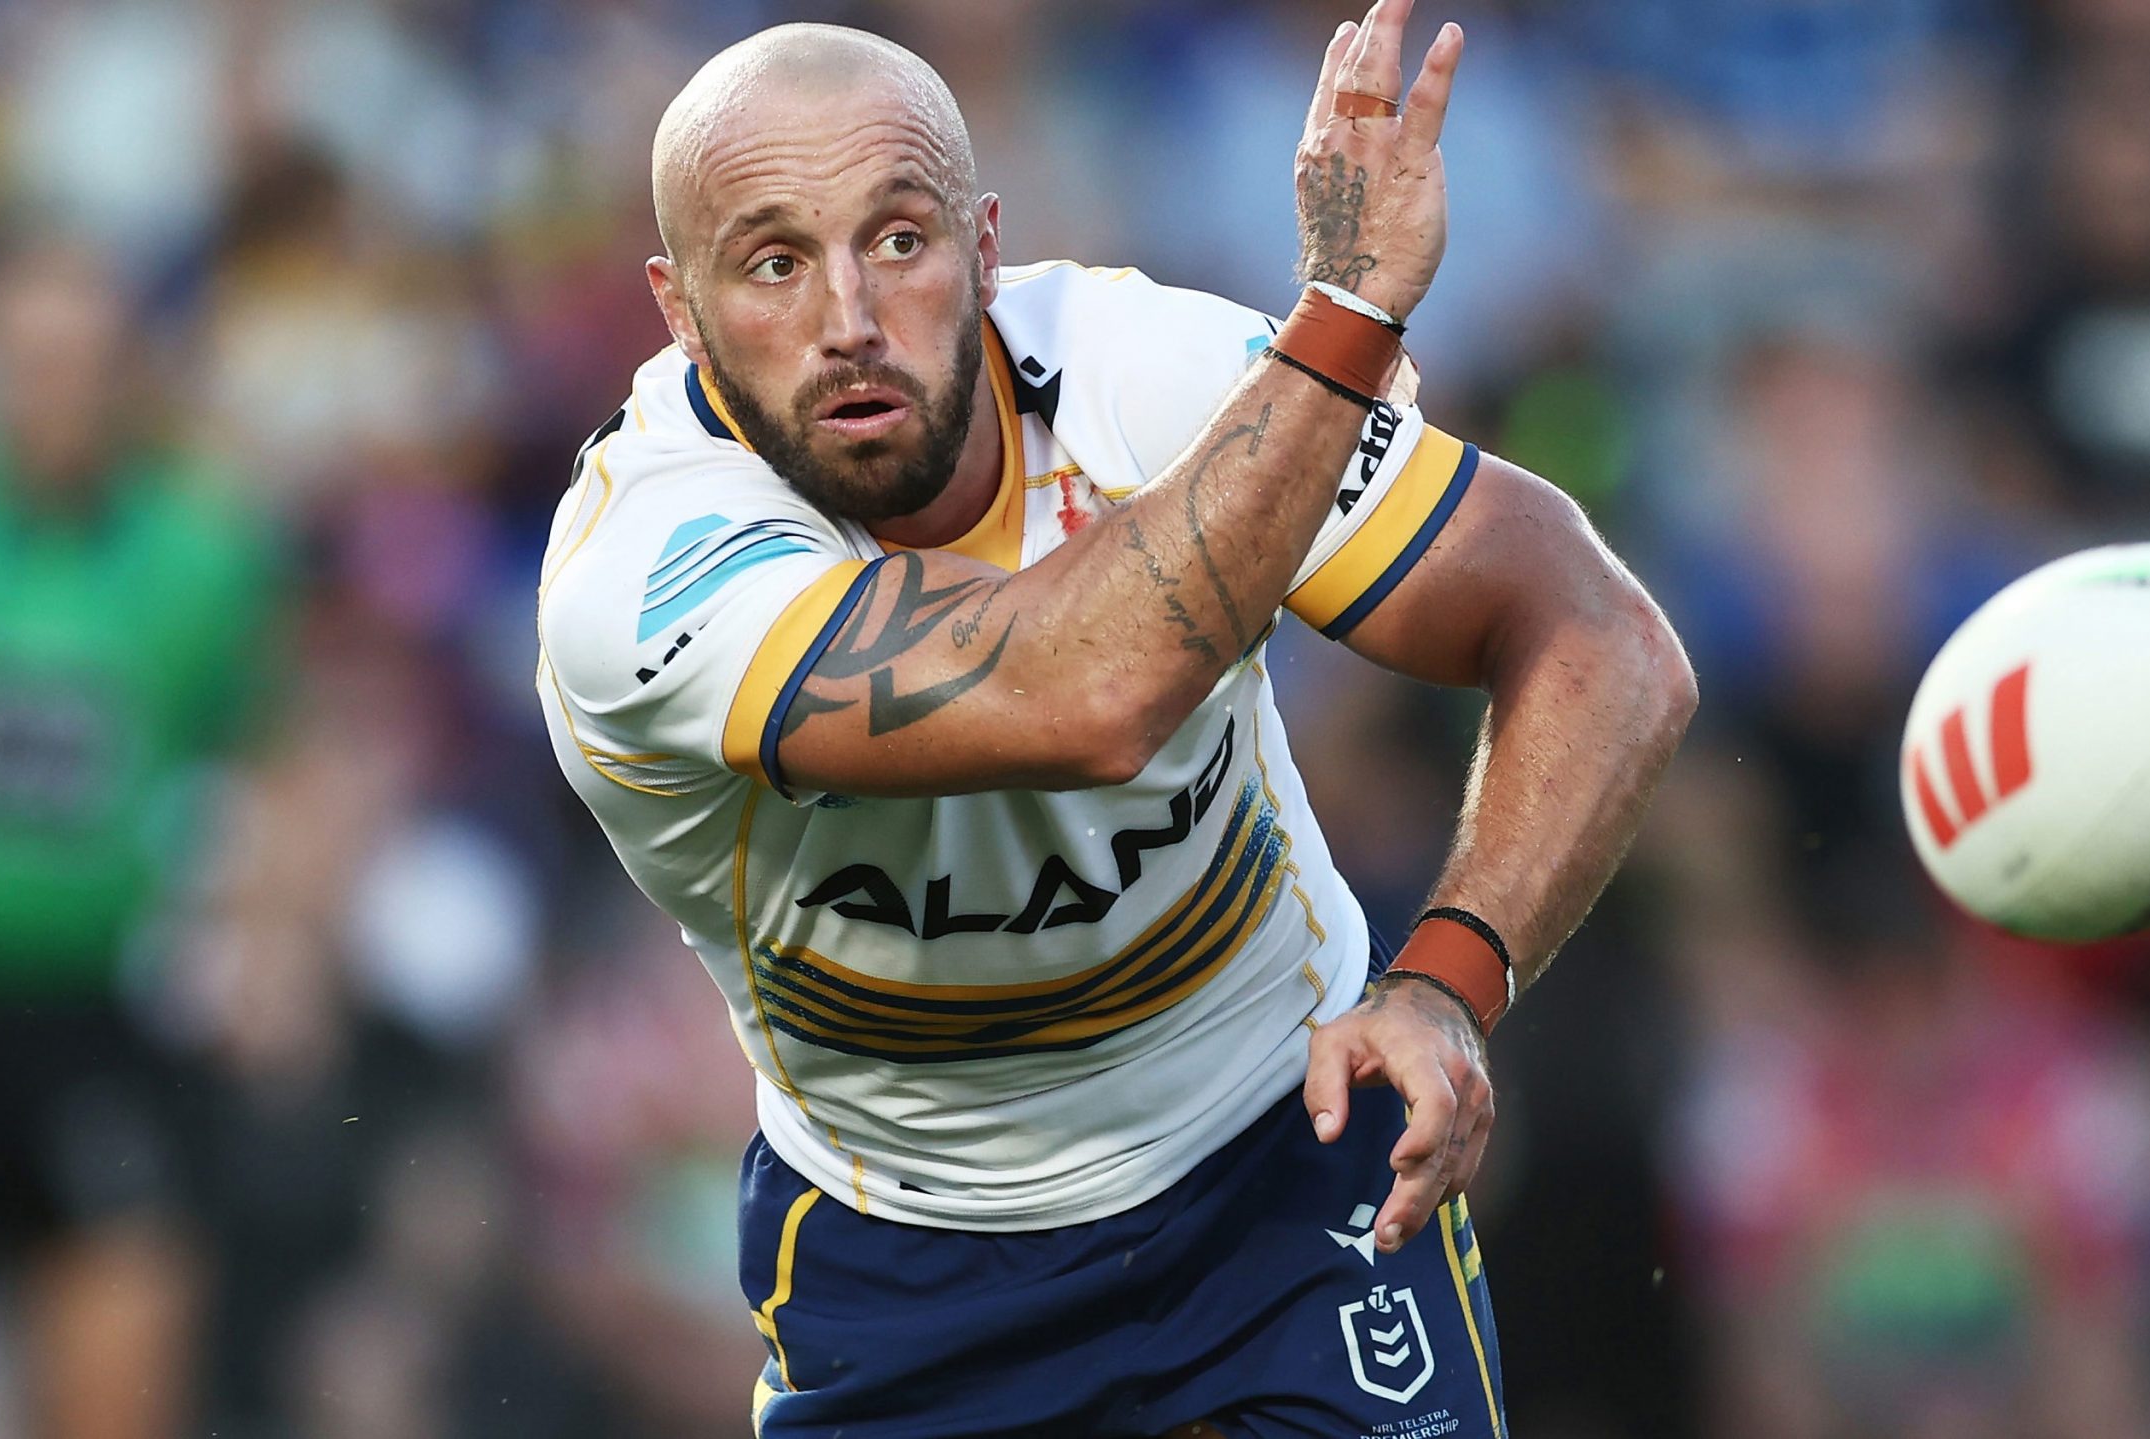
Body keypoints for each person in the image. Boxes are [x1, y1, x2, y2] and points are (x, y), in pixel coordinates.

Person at [536, 3, 1697, 1433]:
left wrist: (1448, 981)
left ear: (984, 242)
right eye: (774, 262)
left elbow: (1605, 634)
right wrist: (1341, 324)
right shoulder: (643, 571)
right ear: (679, 309)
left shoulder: (1148, 371)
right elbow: (1084, 696)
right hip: (915, 1264)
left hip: (1294, 1155)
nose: (848, 319)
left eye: (900, 239)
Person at [0, 243, 283, 1439]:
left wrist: (261, 934)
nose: (55, 389)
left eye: (83, 362)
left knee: (119, 1359)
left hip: (98, 1005)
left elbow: (268, 751)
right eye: (28, 360)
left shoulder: (204, 554)